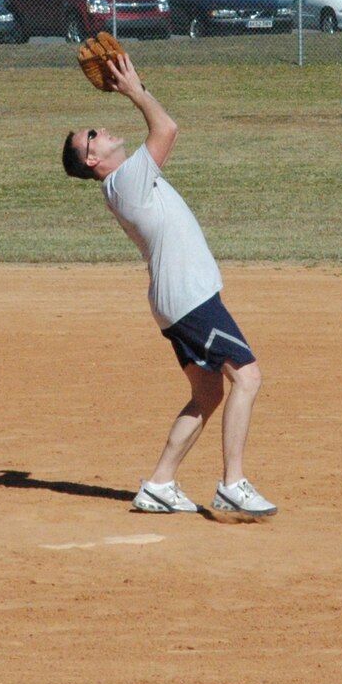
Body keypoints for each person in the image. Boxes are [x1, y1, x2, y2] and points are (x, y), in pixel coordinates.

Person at [62, 53, 276, 519]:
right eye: (92, 136)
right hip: (189, 298)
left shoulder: (126, 181)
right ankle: (233, 484)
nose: (100, 129)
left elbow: (163, 134)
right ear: (94, 159)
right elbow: (167, 129)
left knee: (207, 394)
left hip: (177, 299)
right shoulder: (125, 181)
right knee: (247, 377)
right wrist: (134, 89)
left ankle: (159, 485)